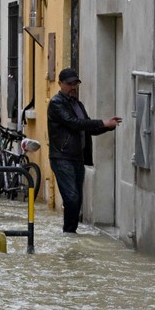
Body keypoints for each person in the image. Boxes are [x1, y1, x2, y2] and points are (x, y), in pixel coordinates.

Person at [47, 67, 120, 233]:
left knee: (77, 199)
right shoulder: (56, 103)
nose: (73, 87)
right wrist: (103, 123)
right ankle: (69, 233)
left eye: (76, 83)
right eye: (69, 84)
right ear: (60, 84)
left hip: (77, 157)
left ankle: (70, 233)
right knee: (72, 198)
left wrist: (109, 126)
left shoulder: (77, 104)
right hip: (62, 157)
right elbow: (74, 123)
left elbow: (88, 128)